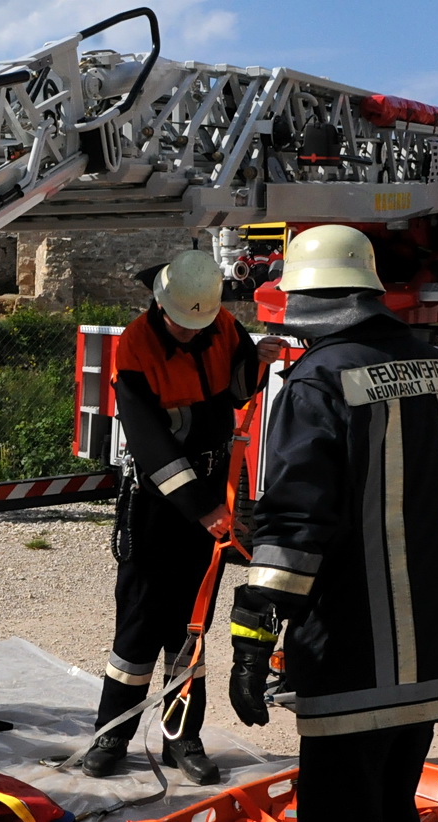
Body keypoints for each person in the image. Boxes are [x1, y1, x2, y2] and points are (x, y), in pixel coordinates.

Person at [228, 225, 438, 822]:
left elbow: (297, 518)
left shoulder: (317, 381)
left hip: (353, 648)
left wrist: (250, 627)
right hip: (433, 650)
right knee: (391, 812)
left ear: (310, 305)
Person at [79, 249, 279, 785]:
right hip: (158, 500)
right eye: (182, 324)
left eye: (200, 324)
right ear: (161, 305)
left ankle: (181, 738)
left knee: (191, 627)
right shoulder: (135, 345)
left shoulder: (221, 325)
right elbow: (151, 441)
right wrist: (202, 508)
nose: (192, 333)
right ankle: (113, 733)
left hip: (211, 490)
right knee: (140, 620)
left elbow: (233, 394)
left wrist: (257, 361)